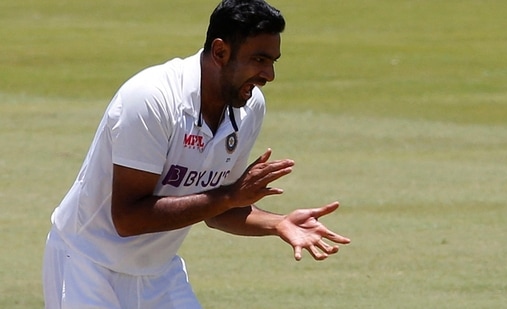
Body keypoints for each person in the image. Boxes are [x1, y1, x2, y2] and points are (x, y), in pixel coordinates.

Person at [42, 0, 351, 308]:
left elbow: (217, 209)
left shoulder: (249, 107)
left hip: (158, 272)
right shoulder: (151, 99)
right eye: (259, 59)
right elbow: (128, 218)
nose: (268, 75)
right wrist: (229, 197)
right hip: (87, 265)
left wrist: (278, 223)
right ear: (220, 52)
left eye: (273, 61)